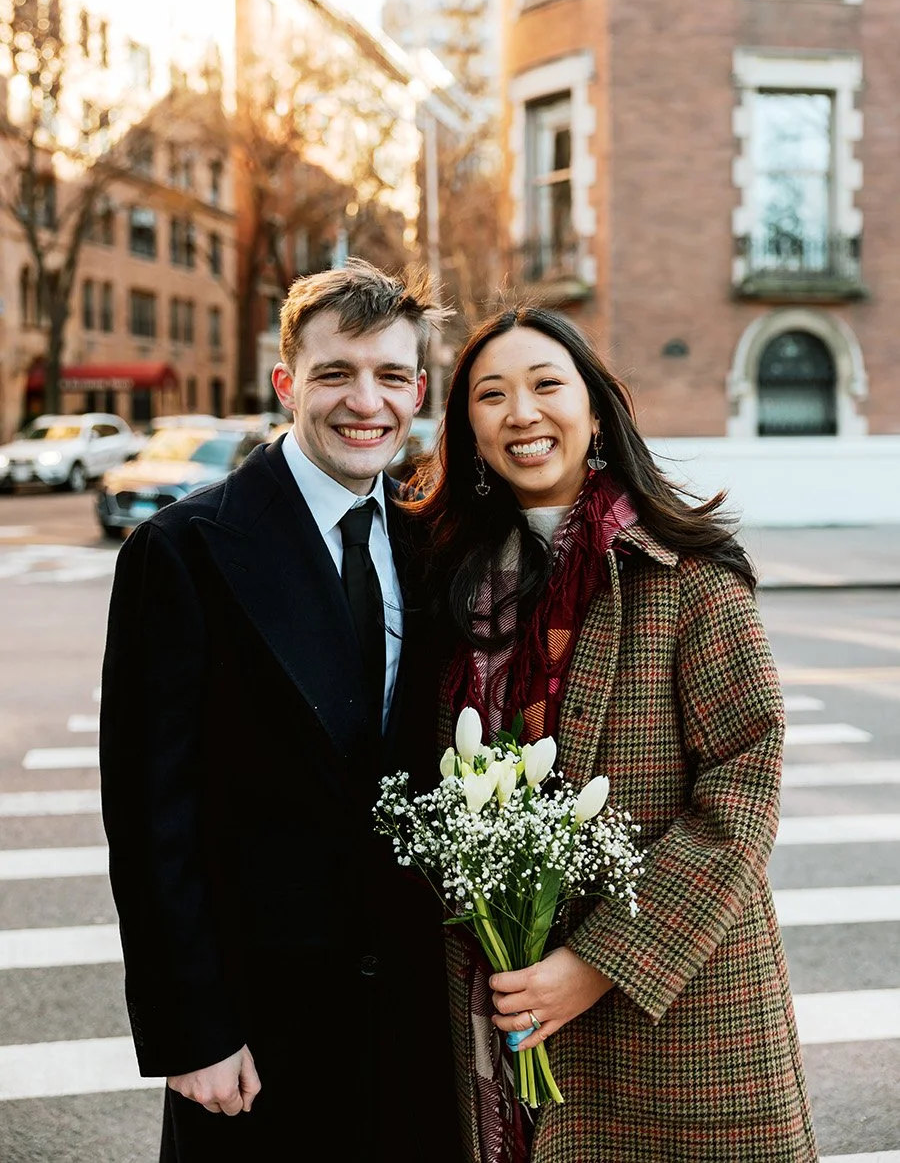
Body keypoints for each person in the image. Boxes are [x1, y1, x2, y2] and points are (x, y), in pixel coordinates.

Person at [404, 305, 819, 1163]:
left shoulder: (686, 573)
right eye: (491, 394)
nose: (522, 412)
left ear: (596, 410)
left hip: (674, 1011)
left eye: (546, 385)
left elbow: (742, 790)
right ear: (467, 431)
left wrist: (591, 966)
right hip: (503, 999)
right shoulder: (450, 586)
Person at [99, 259, 461, 1162]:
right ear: (287, 381)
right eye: (336, 373)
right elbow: (150, 818)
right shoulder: (181, 551)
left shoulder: (431, 548)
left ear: (418, 390)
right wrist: (192, 1030)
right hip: (254, 1035)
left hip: (409, 1029)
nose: (364, 402)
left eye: (390, 376)